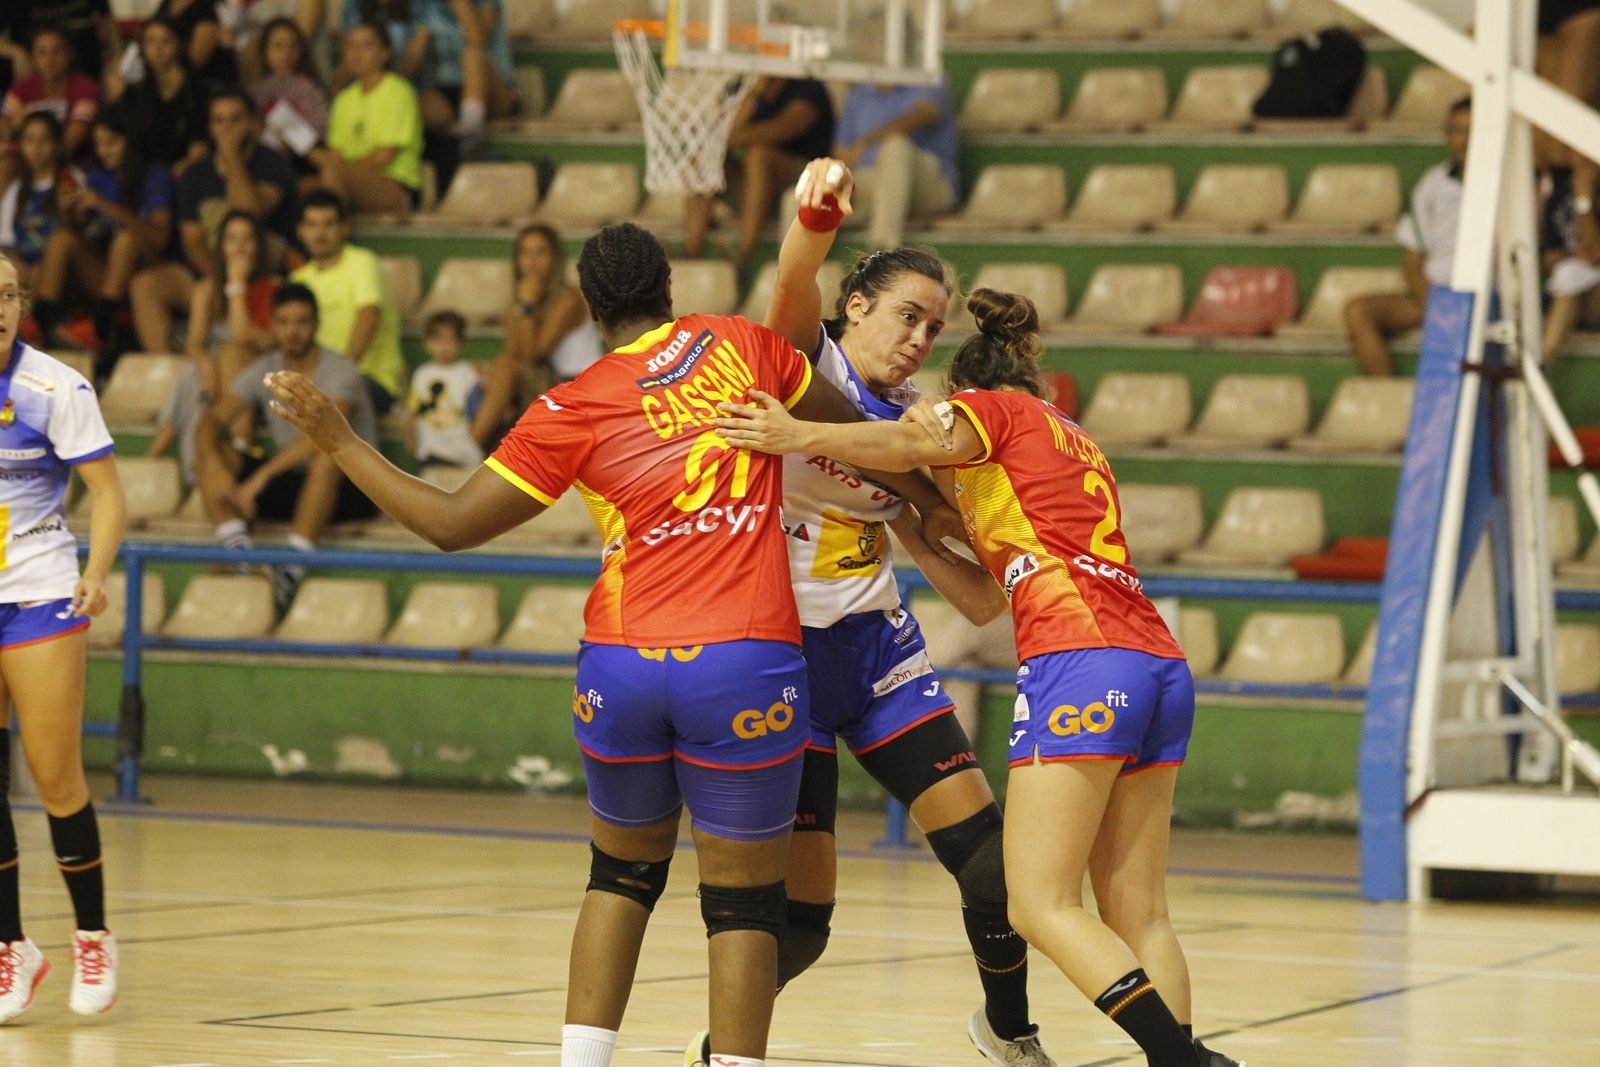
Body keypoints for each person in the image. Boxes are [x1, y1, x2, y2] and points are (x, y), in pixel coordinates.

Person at [263, 221, 945, 1067]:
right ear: (669, 288)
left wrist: (339, 439)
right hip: (742, 664)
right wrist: (937, 505)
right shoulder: (740, 345)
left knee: (618, 876)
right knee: (743, 906)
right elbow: (856, 441)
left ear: (588, 311)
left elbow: (447, 523)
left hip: (620, 666)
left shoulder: (569, 405)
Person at [715, 277, 1246, 1067]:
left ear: (967, 393)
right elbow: (981, 597)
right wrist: (919, 524)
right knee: (1141, 913)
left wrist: (795, 432)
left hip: (1081, 658)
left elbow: (904, 442)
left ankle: (1187, 1060)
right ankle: (1115, 1047)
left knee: (1037, 901)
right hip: (1156, 663)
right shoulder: (1070, 437)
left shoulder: (991, 412)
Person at [685, 159, 1056, 1067]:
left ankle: (1009, 1031)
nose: (920, 336)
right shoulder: (798, 359)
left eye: (933, 325)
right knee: (801, 928)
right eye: (906, 315)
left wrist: (937, 524)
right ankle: (718, 1048)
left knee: (989, 861)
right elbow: (790, 277)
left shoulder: (923, 424)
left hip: (876, 648)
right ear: (856, 307)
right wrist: (813, 210)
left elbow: (972, 592)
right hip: (779, 660)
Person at [0, 248, 126, 1025]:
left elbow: (109, 493)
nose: (1, 305)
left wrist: (97, 570)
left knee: (54, 777)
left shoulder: (55, 386)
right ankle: (11, 946)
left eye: (9, 293)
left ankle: (92, 934)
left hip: (42, 593)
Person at [195, 282, 377, 607]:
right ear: (273, 326)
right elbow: (211, 421)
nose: (292, 331)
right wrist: (217, 467)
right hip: (294, 480)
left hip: (352, 486)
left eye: (301, 321)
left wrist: (260, 478)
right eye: (284, 322)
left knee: (329, 455)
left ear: (317, 325)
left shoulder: (341, 370)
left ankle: (291, 568)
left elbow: (325, 434)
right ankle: (239, 552)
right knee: (211, 449)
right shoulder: (266, 368)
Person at [128, 86, 299, 355]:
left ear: (253, 123)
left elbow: (249, 212)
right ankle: (169, 370)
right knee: (145, 285)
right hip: (211, 274)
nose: (226, 128)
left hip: (262, 277)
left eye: (235, 119)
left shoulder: (272, 163)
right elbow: (193, 242)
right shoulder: (195, 175)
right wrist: (220, 280)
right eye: (218, 121)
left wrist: (230, 156)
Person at [1343, 97, 1469, 377]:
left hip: (1486, 298)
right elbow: (1413, 261)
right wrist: (1435, 306)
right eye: (1458, 131)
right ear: (1448, 136)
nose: (1465, 140)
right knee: (1358, 311)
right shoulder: (1432, 184)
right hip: (1436, 295)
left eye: (1473, 131)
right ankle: (1386, 401)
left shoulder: (1512, 183)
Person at [46, 109, 175, 370]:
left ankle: (102, 327)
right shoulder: (98, 176)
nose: (103, 151)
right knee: (62, 238)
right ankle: (42, 323)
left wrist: (104, 205)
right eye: (98, 144)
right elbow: (83, 233)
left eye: (111, 143)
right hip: (106, 276)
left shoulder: (154, 175)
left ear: (130, 140)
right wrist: (67, 211)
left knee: (126, 239)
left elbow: (159, 238)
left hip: (148, 271)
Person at [684, 76, 834, 275]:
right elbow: (722, 132)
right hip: (752, 187)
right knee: (703, 161)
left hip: (803, 186)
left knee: (758, 155)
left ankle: (744, 256)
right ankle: (689, 255)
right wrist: (755, 94)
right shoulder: (741, 86)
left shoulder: (808, 87)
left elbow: (782, 129)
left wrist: (732, 138)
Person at [469, 222, 602, 446]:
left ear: (554, 259)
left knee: (505, 368)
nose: (531, 261)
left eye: (540, 253)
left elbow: (532, 354)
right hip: (545, 379)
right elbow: (513, 351)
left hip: (577, 385)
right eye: (525, 253)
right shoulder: (521, 297)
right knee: (483, 372)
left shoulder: (569, 299)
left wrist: (527, 305)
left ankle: (471, 443)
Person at [290, 189, 404, 411]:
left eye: (328, 224)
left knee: (325, 403)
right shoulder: (298, 278)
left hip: (372, 380)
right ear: (301, 231)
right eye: (312, 224)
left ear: (344, 228)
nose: (320, 233)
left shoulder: (362, 262)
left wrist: (339, 375)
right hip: (319, 383)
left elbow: (368, 317)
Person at [311, 20, 423, 215]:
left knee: (332, 173)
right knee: (297, 186)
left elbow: (384, 156)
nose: (356, 53)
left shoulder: (399, 91)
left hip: (396, 186)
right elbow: (335, 154)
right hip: (348, 178)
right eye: (350, 45)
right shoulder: (343, 100)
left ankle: (334, 237)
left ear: (385, 53)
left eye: (367, 45)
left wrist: (342, 171)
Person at [833, 78, 959, 250]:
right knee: (802, 200)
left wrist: (869, 140)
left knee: (895, 146)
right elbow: (841, 152)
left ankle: (881, 252)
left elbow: (926, 112)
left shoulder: (928, 77)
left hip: (929, 182)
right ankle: (791, 272)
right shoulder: (860, 92)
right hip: (875, 180)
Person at [186, 208, 283, 396]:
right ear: (221, 246)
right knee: (190, 376)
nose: (239, 247)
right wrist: (206, 363)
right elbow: (194, 344)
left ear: (258, 246)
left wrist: (236, 283)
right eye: (232, 239)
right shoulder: (205, 290)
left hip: (256, 368)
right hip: (212, 370)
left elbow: (242, 337)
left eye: (247, 239)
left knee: (231, 355)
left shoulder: (273, 287)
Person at [411, 0, 518, 153]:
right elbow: (414, 54)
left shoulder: (487, 3)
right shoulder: (428, 6)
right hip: (449, 91)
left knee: (472, 55)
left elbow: (477, 41)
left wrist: (460, 5)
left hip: (494, 90)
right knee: (416, 103)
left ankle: (469, 145)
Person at [0, 27, 100, 188]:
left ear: (70, 54)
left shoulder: (85, 89)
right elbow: (3, 128)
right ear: (33, 57)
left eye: (57, 52)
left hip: (74, 164)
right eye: (42, 53)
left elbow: (68, 146)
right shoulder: (22, 88)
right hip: (27, 162)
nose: (49, 60)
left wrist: (16, 141)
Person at [0, 113, 82, 307]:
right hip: (24, 273)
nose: (35, 149)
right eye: (29, 140)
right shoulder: (17, 190)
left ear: (57, 144)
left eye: (43, 140)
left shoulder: (72, 181)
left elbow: (79, 240)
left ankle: (40, 319)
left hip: (63, 276)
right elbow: (5, 245)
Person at [247, 16, 329, 170]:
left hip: (303, 164)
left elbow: (319, 136)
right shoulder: (253, 91)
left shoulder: (310, 89)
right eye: (278, 46)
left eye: (293, 47)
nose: (286, 54)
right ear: (265, 51)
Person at [1540, 155, 1600, 360]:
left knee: (1570, 273)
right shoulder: (1559, 194)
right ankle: (1540, 365)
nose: (1585, 159)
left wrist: (1584, 200)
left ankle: (1540, 365)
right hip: (1570, 295)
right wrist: (1576, 257)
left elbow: (1594, 250)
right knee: (1568, 272)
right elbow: (1551, 258)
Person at [406, 309, 482, 467]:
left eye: (450, 340)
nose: (444, 347)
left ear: (462, 343)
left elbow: (476, 412)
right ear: (427, 343)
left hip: (461, 452)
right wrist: (411, 440)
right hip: (429, 450)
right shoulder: (422, 374)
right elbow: (414, 411)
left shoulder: (468, 374)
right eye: (438, 339)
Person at [152, 0, 239, 87]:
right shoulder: (167, 3)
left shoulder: (209, 6)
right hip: (170, 77)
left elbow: (197, 59)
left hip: (207, 82)